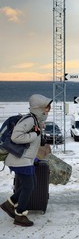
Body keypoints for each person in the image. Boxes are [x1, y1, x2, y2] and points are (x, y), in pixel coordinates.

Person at [0, 94, 52, 227]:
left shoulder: (35, 120)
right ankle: (20, 214)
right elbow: (16, 137)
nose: (48, 110)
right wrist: (35, 134)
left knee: (30, 184)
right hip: (20, 159)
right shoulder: (29, 120)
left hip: (26, 159)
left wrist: (38, 134)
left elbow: (32, 142)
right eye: (47, 107)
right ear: (38, 108)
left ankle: (9, 204)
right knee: (29, 186)